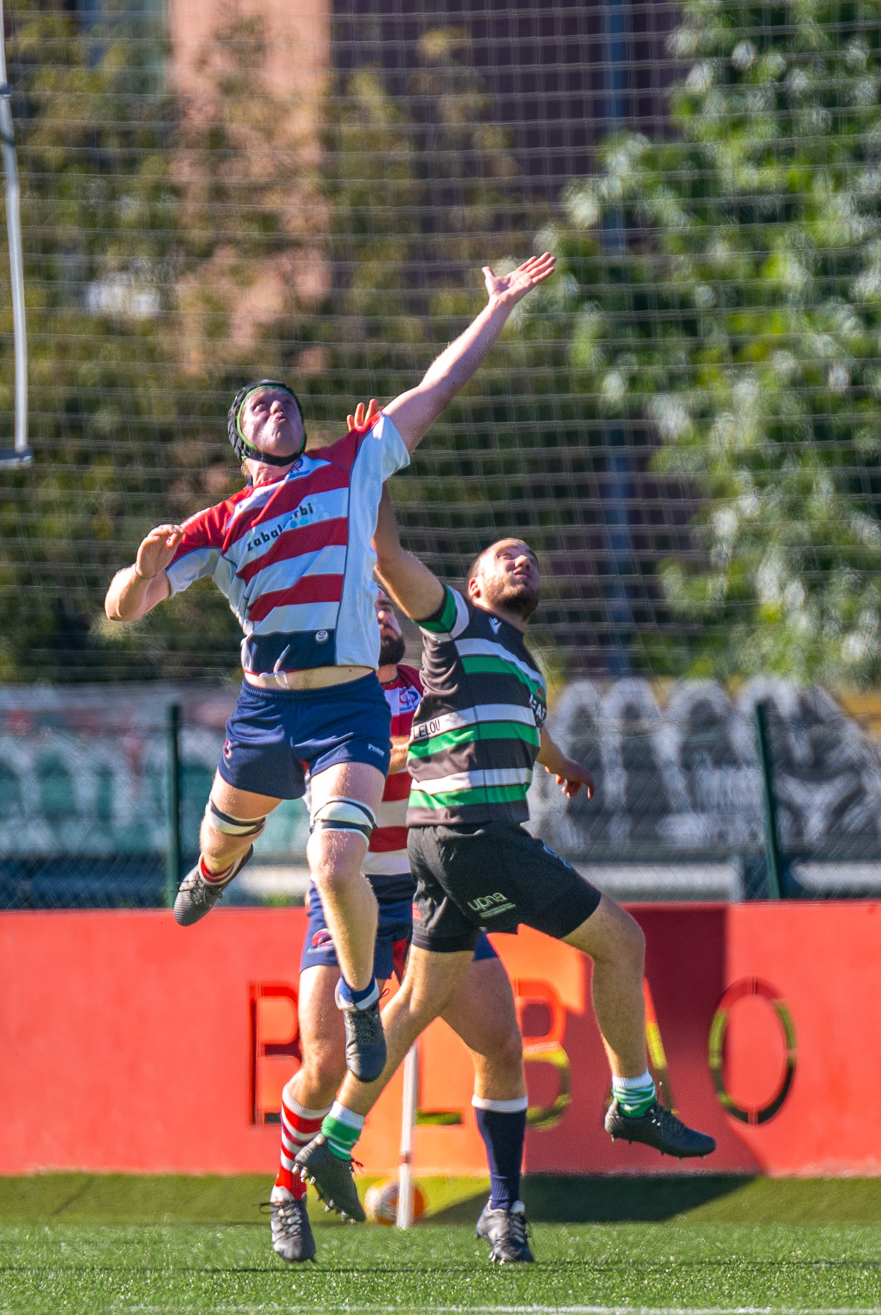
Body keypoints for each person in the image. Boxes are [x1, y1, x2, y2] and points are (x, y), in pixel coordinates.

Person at [104, 254, 555, 1087]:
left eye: (284, 397)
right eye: (257, 405)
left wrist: (494, 308)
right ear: (243, 445)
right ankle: (211, 873)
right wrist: (140, 571)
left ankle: (356, 1005)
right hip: (266, 713)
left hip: (346, 707)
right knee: (220, 839)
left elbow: (436, 390)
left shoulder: (350, 465)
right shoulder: (221, 521)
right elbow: (123, 610)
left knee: (333, 862)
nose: (275, 403)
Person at [295, 490, 717, 1225]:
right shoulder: (458, 626)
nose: (521, 559)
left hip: (439, 847)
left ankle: (334, 1139)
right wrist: (378, 472)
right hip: (476, 835)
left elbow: (532, 725)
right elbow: (389, 558)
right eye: (503, 555)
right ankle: (634, 1103)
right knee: (623, 942)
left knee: (419, 1000)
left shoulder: (524, 666)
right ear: (475, 587)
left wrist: (563, 763)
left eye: (529, 553)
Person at [268, 591, 533, 1266]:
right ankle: (286, 1196)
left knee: (501, 1044)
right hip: (350, 893)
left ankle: (505, 1208)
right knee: (324, 1066)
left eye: (390, 610)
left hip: (430, 886)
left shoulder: (432, 686)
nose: (385, 618)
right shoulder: (322, 698)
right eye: (369, 610)